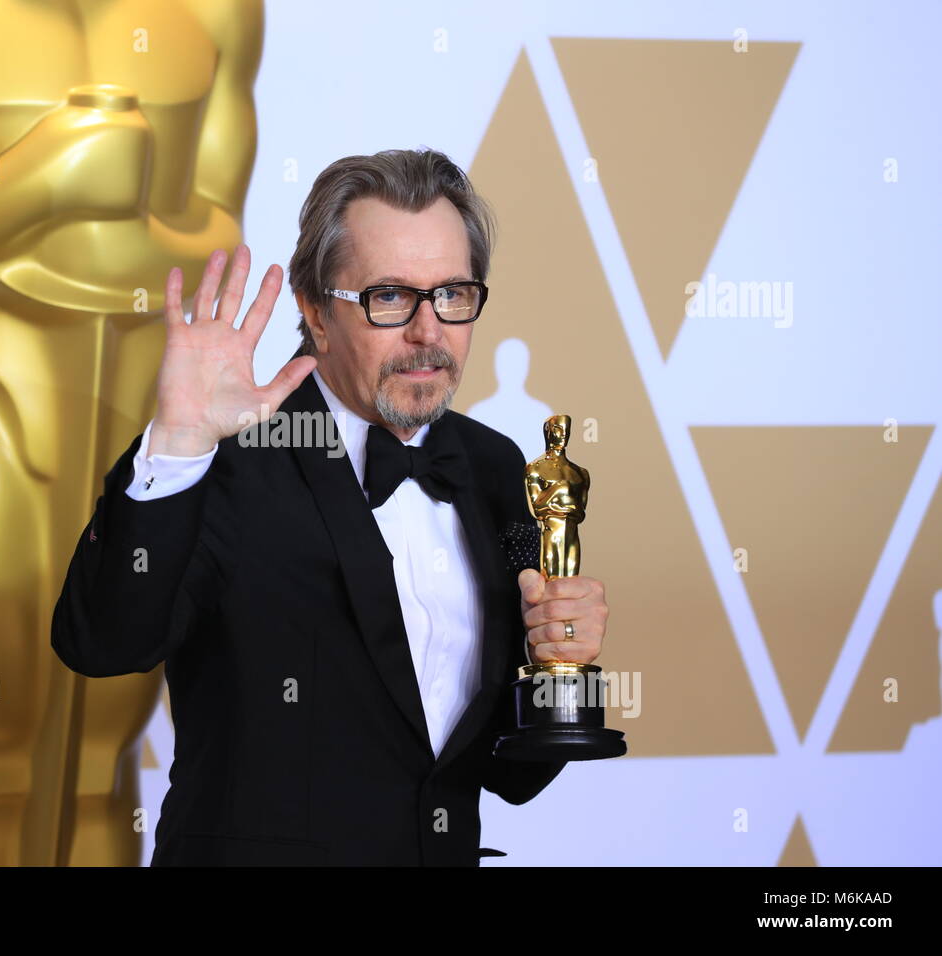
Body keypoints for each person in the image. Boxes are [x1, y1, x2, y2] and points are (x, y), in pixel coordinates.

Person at [51, 148, 611, 866]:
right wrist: (179, 443)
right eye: (389, 297)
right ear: (315, 313)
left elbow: (508, 773)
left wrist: (557, 663)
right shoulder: (228, 456)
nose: (428, 331)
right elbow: (102, 644)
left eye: (453, 294)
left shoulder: (498, 468)